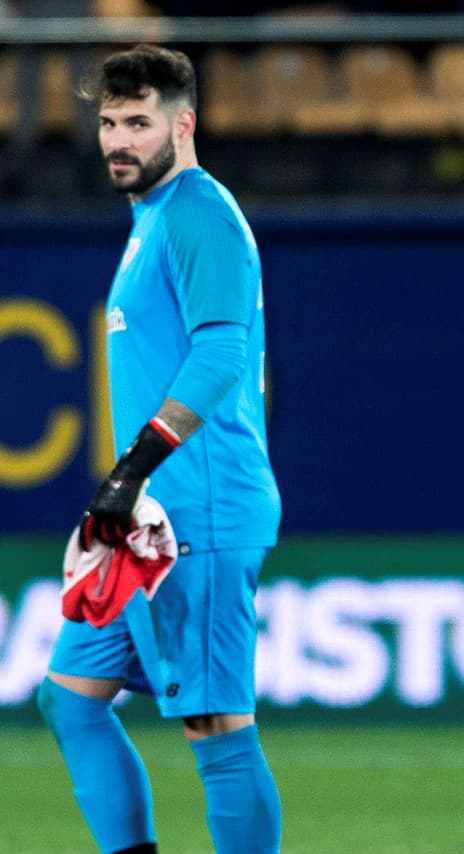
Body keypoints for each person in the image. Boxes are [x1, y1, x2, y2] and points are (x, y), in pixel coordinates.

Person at [38, 45, 282, 853]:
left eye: (138, 123)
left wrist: (132, 469)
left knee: (217, 729)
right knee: (70, 698)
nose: (118, 140)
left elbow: (219, 355)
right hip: (153, 512)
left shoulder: (198, 215)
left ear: (184, 123)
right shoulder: (155, 216)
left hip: (197, 510)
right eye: (109, 123)